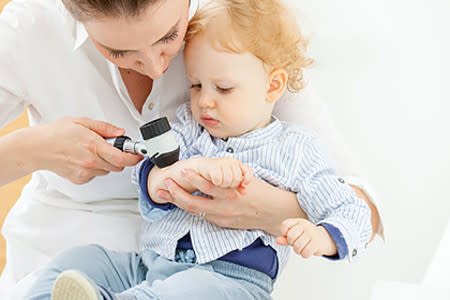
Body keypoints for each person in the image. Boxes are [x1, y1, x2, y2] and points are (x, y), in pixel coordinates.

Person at [0, 0, 382, 297]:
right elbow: (152, 172)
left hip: (220, 277)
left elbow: (361, 209)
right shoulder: (29, 26)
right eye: (117, 50)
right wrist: (32, 149)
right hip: (138, 258)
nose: (153, 68)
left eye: (169, 38)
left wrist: (278, 214)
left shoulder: (235, 34)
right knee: (76, 265)